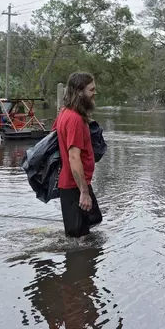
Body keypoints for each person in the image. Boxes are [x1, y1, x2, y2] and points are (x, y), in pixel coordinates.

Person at [53, 72, 102, 238]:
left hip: (77, 184)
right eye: (91, 90)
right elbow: (74, 157)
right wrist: (84, 192)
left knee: (94, 219)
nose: (95, 93)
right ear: (80, 92)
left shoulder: (66, 113)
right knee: (78, 240)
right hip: (74, 186)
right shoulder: (74, 119)